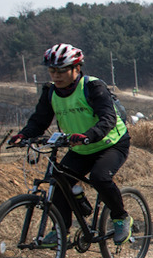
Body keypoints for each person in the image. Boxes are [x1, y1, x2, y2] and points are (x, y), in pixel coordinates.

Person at [9, 44, 133, 244]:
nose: (56, 76)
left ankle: (120, 218)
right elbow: (39, 121)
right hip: (80, 147)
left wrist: (88, 135)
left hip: (111, 143)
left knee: (100, 178)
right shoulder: (50, 92)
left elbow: (108, 118)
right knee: (59, 183)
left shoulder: (93, 86)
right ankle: (61, 230)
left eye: (62, 70)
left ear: (76, 68)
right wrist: (23, 135)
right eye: (52, 71)